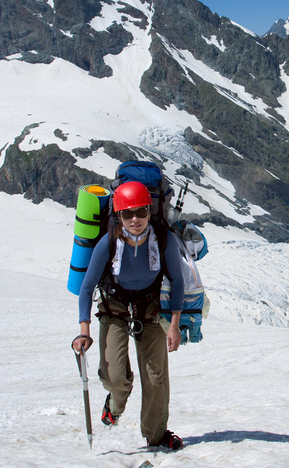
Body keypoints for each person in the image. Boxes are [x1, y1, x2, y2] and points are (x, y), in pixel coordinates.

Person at [71, 181, 186, 450]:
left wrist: (175, 326)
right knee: (113, 375)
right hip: (115, 308)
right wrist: (84, 330)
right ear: (118, 215)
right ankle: (116, 400)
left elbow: (178, 281)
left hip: (149, 309)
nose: (135, 219)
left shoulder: (163, 240)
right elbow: (87, 287)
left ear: (149, 210)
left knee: (156, 376)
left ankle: (156, 434)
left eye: (141, 212)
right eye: (127, 213)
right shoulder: (108, 242)